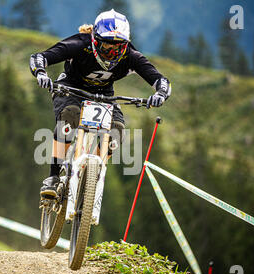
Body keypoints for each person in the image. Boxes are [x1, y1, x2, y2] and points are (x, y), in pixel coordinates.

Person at [29, 9, 172, 199]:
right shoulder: (80, 44)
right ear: (95, 40)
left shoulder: (131, 56)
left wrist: (160, 94)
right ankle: (54, 177)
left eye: (118, 48)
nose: (112, 54)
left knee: (118, 130)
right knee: (69, 117)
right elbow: (39, 57)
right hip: (71, 88)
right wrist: (40, 72)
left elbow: (162, 81)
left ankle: (90, 174)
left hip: (104, 96)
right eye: (106, 47)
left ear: (126, 45)